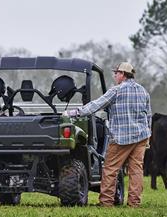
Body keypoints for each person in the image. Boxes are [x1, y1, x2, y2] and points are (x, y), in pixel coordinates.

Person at [64, 62, 152, 208]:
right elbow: (148, 115)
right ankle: (134, 203)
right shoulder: (143, 91)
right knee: (136, 170)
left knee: (110, 169)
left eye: (116, 73)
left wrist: (73, 113)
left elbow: (95, 106)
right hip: (141, 136)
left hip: (121, 138)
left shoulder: (116, 91)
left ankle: (106, 202)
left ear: (123, 74)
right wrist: (147, 137)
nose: (115, 76)